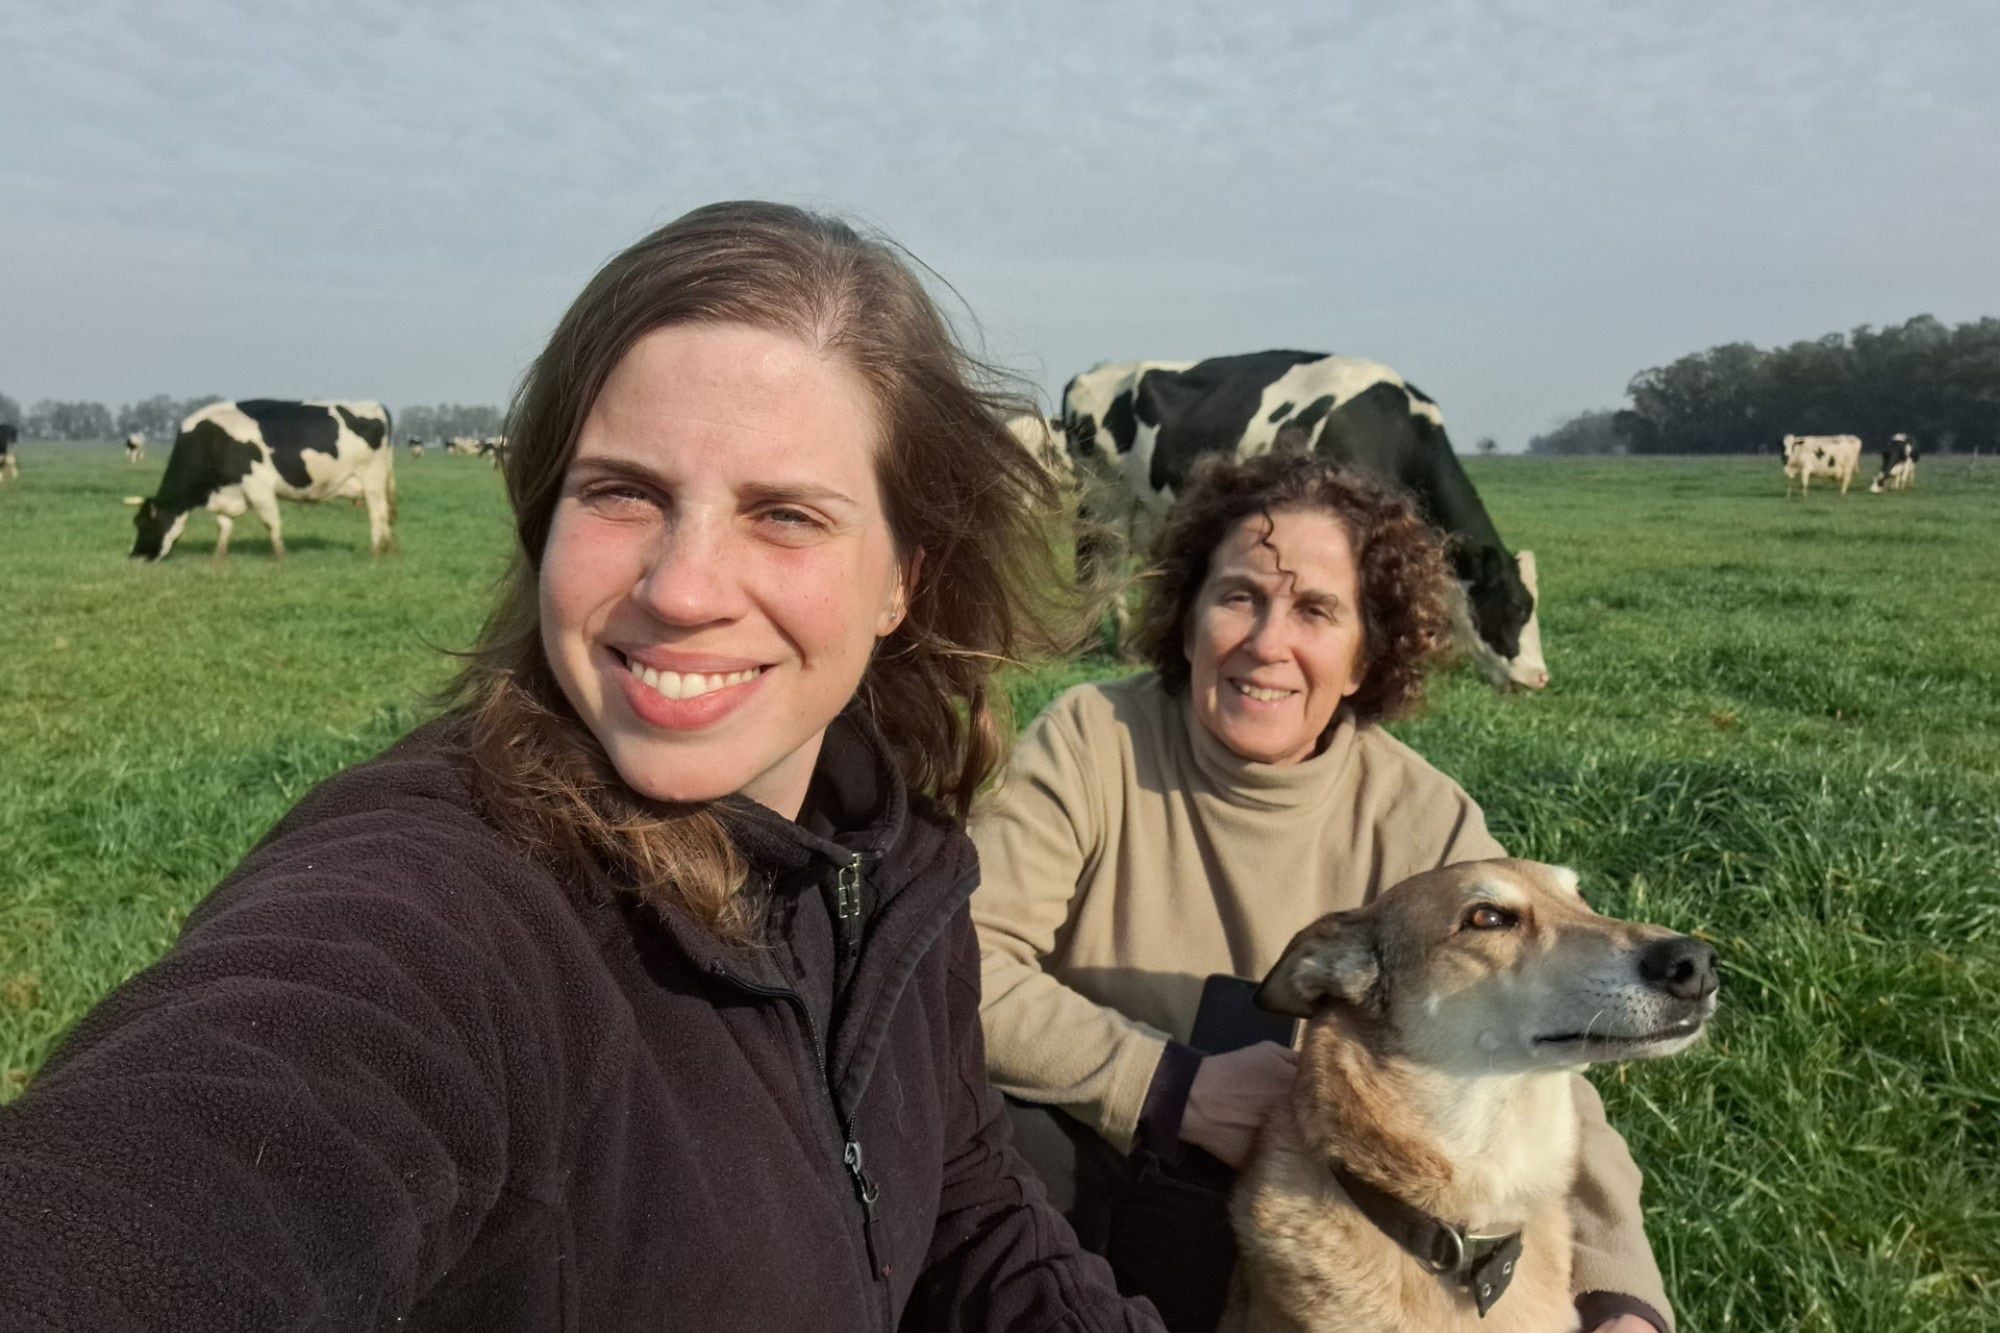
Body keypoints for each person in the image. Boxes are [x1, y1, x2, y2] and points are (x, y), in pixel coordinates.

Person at [0, 202, 1160, 1332]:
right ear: (542, 517)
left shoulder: (894, 864)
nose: (682, 588)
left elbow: (967, 1206)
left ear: (902, 577)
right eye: (622, 492)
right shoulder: (448, 905)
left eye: (784, 515)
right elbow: (202, 1155)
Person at [970, 451, 1675, 1333]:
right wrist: (1169, 1085)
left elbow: (1542, 1040)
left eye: (1315, 610)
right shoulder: (1092, 739)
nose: (1268, 643)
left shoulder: (1424, 820)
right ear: (1186, 622)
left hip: (1315, 1203)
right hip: (1100, 1174)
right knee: (1007, 1136)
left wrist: (1620, 1293)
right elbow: (961, 961)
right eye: (1238, 596)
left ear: (1364, 657)